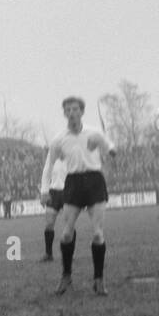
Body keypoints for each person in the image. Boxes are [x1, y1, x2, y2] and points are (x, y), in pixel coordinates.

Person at [40, 97, 117, 296]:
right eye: (68, 109)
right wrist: (44, 191)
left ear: (82, 112)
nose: (72, 112)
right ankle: (66, 276)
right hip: (73, 183)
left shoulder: (93, 132)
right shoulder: (59, 139)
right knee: (66, 233)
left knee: (98, 233)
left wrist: (110, 149)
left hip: (94, 182)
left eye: (75, 109)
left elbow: (109, 146)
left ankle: (99, 280)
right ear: (64, 113)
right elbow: (49, 165)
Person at [39, 157, 67, 262]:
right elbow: (45, 174)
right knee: (49, 224)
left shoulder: (71, 154)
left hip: (68, 192)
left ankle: (69, 253)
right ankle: (48, 254)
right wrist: (44, 193)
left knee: (69, 224)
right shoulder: (51, 158)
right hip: (53, 193)